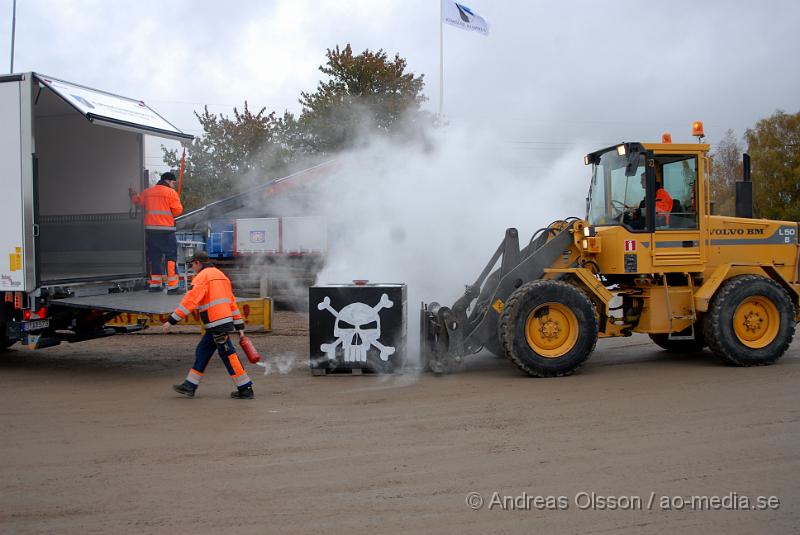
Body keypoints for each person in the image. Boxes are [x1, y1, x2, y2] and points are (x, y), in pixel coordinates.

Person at [162, 251, 254, 399]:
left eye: (192, 264)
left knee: (228, 355)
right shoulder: (221, 275)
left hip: (216, 323)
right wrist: (239, 326)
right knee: (203, 350)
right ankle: (189, 385)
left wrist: (172, 320)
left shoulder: (202, 278)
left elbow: (190, 302)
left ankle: (245, 388)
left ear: (198, 263)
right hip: (222, 323)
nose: (192, 267)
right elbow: (231, 302)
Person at [132, 172, 183, 294]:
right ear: (168, 181)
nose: (174, 185)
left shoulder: (148, 192)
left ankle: (155, 285)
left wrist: (132, 194)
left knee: (154, 257)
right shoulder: (171, 193)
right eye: (173, 183)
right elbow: (177, 211)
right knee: (171, 257)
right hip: (166, 231)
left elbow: (137, 201)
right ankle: (173, 287)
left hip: (151, 230)